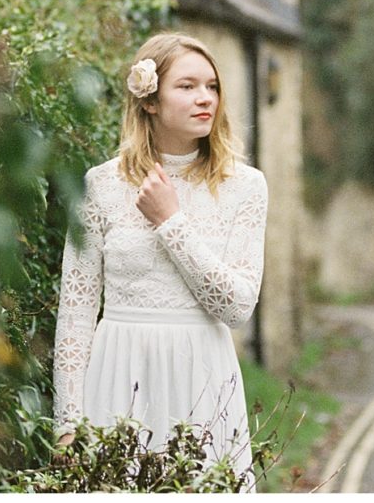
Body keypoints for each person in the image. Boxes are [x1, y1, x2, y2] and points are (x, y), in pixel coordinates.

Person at [52, 32, 268, 486]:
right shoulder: (101, 186)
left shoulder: (245, 187)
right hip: (117, 376)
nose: (205, 98)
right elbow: (75, 312)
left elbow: (237, 307)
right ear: (149, 100)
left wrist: (170, 222)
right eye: (187, 86)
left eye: (212, 86)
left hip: (202, 378)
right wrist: (68, 423)